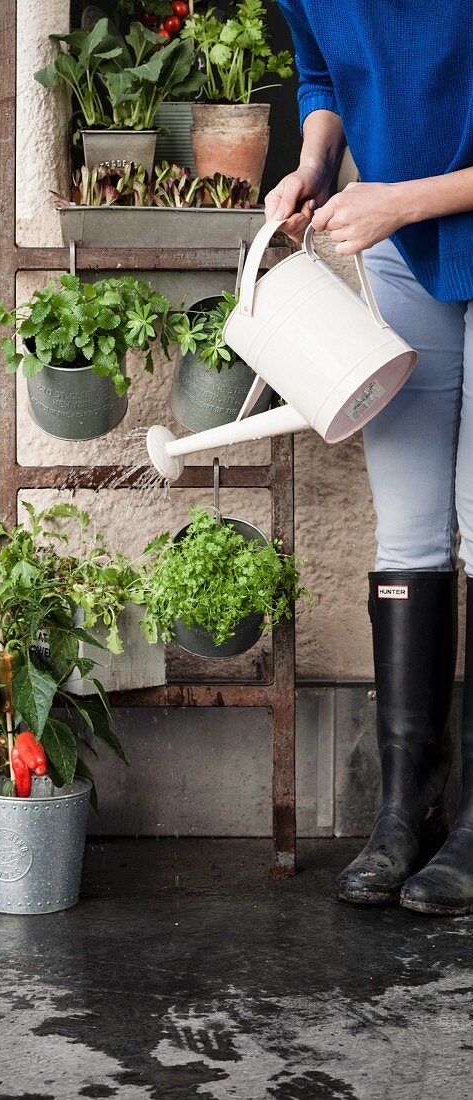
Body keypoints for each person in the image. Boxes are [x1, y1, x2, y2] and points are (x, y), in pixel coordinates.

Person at [264, 1, 473, 915]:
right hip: (398, 252)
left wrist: (406, 196)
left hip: (421, 213)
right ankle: (405, 806)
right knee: (411, 524)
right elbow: (321, 77)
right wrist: (313, 164)